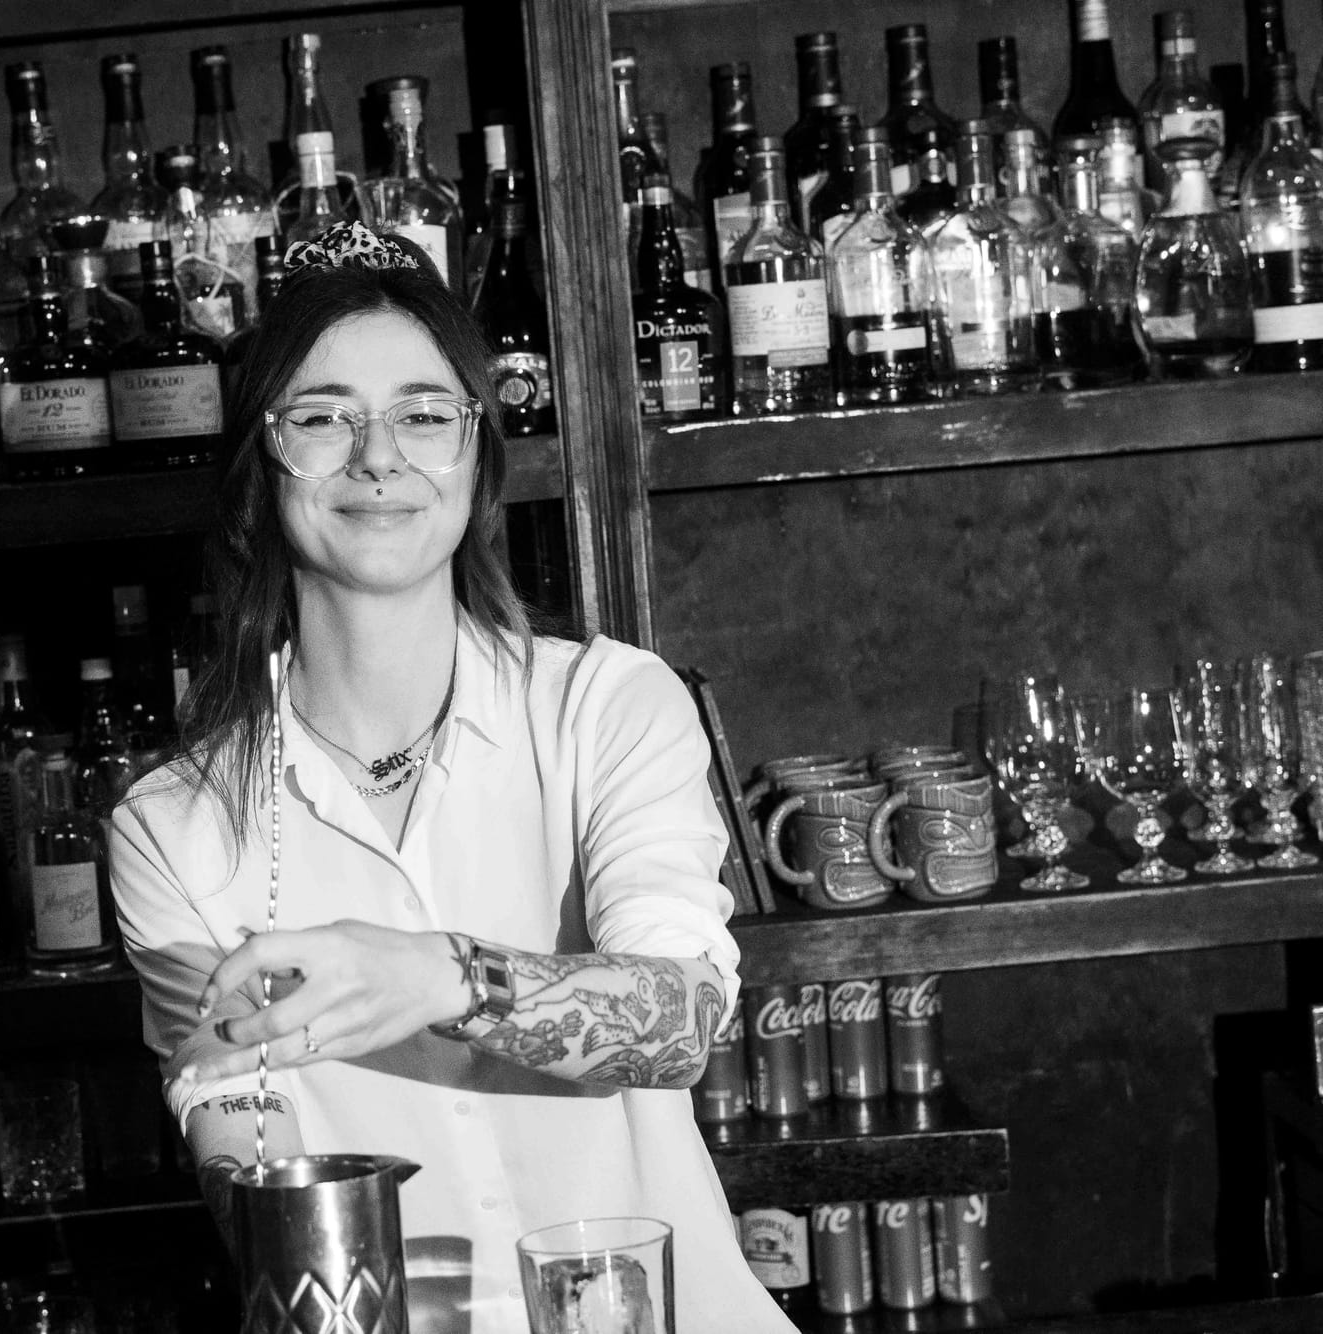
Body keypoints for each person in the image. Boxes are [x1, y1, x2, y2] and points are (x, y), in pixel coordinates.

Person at [109, 221, 791, 1334]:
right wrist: (249, 1167)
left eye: (424, 416)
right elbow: (237, 1128)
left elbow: (682, 1018)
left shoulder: (602, 707)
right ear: (255, 469)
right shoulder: (172, 823)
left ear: (474, 463)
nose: (377, 457)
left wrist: (440, 977)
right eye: (322, 418)